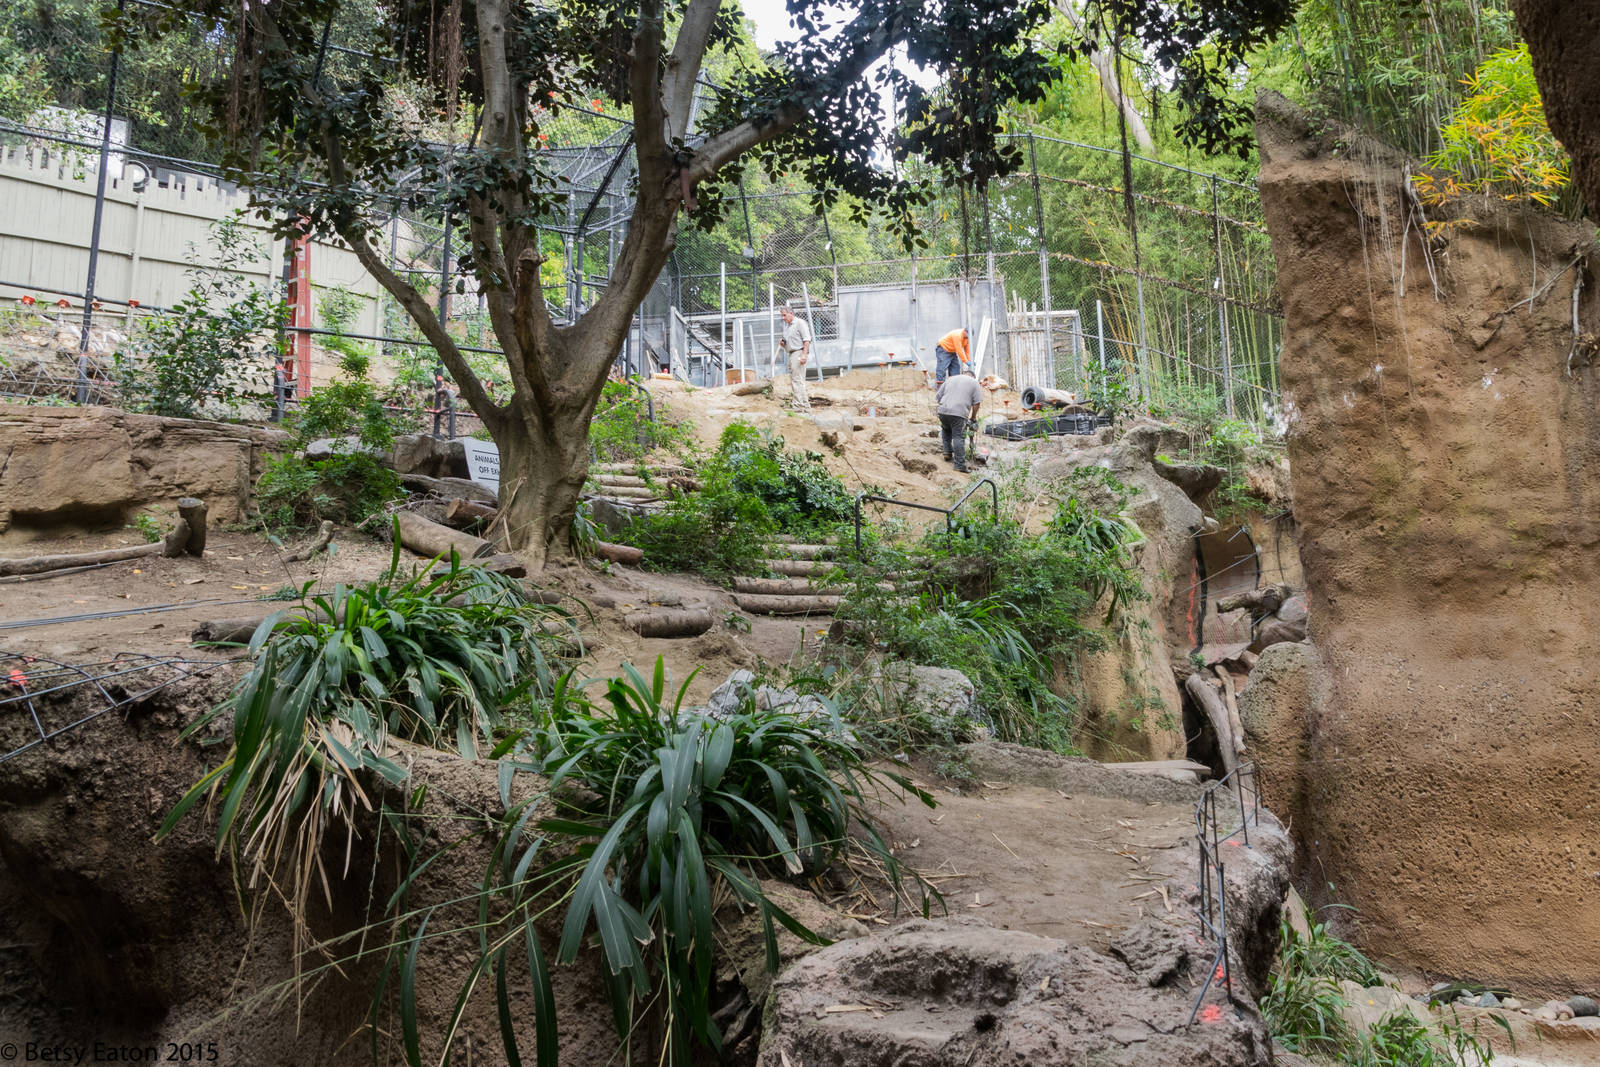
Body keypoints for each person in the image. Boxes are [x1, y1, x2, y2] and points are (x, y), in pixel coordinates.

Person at [936, 370, 982, 473]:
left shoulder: (950, 379)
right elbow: (977, 403)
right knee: (958, 436)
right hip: (958, 413)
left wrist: (945, 407)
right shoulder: (974, 382)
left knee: (946, 430)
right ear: (973, 377)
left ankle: (947, 452)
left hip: (943, 410)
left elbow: (938, 397)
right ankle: (959, 464)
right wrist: (973, 417)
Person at [775, 306, 813, 412]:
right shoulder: (787, 326)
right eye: (782, 315)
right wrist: (783, 343)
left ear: (791, 313)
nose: (783, 318)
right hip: (791, 354)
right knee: (795, 380)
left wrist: (804, 355)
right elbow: (789, 341)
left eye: (784, 315)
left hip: (798, 352)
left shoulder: (800, 323)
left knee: (797, 380)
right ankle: (805, 406)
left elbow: (807, 340)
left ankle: (798, 406)